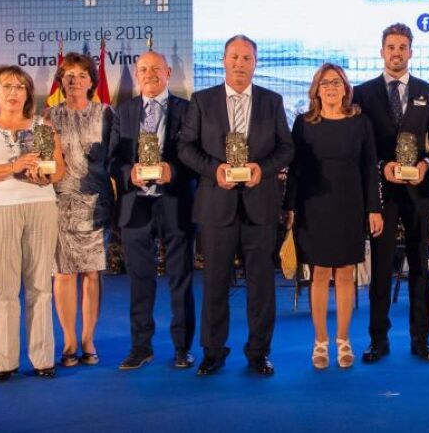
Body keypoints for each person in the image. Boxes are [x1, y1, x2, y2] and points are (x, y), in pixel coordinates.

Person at [179, 35, 294, 376]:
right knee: (215, 282)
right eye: (234, 57)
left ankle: (259, 353)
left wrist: (263, 169)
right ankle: (213, 352)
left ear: (256, 63)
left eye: (246, 58)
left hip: (260, 205)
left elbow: (286, 148)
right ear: (223, 60)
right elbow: (185, 147)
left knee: (262, 285)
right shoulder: (202, 101)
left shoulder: (272, 101)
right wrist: (214, 170)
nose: (240, 63)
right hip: (217, 204)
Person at [0, 65, 66, 382]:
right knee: (4, 289)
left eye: (20, 87)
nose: (13, 92)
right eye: (7, 86)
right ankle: (5, 362)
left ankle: (42, 358)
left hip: (40, 206)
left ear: (28, 94)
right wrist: (13, 166)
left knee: (40, 286)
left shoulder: (42, 126)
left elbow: (59, 170)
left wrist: (44, 175)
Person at [352, 23, 429, 363]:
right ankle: (378, 340)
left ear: (411, 52)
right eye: (391, 46)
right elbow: (360, 145)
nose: (396, 52)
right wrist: (382, 165)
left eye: (402, 47)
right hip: (381, 193)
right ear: (382, 51)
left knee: (420, 264)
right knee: (381, 266)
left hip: (419, 190)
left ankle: (421, 339)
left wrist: (425, 164)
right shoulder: (362, 93)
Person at [283, 63, 382, 369]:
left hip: (350, 205)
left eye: (336, 82)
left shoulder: (360, 122)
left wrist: (374, 208)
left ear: (345, 88)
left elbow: (369, 168)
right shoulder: (303, 123)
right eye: (325, 83)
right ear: (316, 90)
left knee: (345, 272)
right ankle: (320, 342)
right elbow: (295, 170)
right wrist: (290, 207)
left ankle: (343, 340)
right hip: (313, 206)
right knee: (320, 273)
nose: (330, 88)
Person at [109, 50, 197, 370]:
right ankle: (140, 347)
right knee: (139, 281)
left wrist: (174, 170)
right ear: (137, 74)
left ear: (168, 72)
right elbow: (113, 159)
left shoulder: (188, 110)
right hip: (135, 206)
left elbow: (196, 155)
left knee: (181, 279)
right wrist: (128, 173)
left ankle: (182, 348)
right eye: (143, 69)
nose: (149, 74)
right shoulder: (123, 111)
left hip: (175, 203)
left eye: (156, 68)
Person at [45, 53, 113, 367]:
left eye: (81, 75)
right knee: (63, 273)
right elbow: (45, 159)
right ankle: (69, 340)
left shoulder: (106, 114)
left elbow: (118, 157)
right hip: (60, 203)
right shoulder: (48, 116)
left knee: (92, 273)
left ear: (91, 81)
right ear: (61, 81)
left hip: (97, 204)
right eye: (69, 75)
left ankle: (88, 338)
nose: (75, 81)